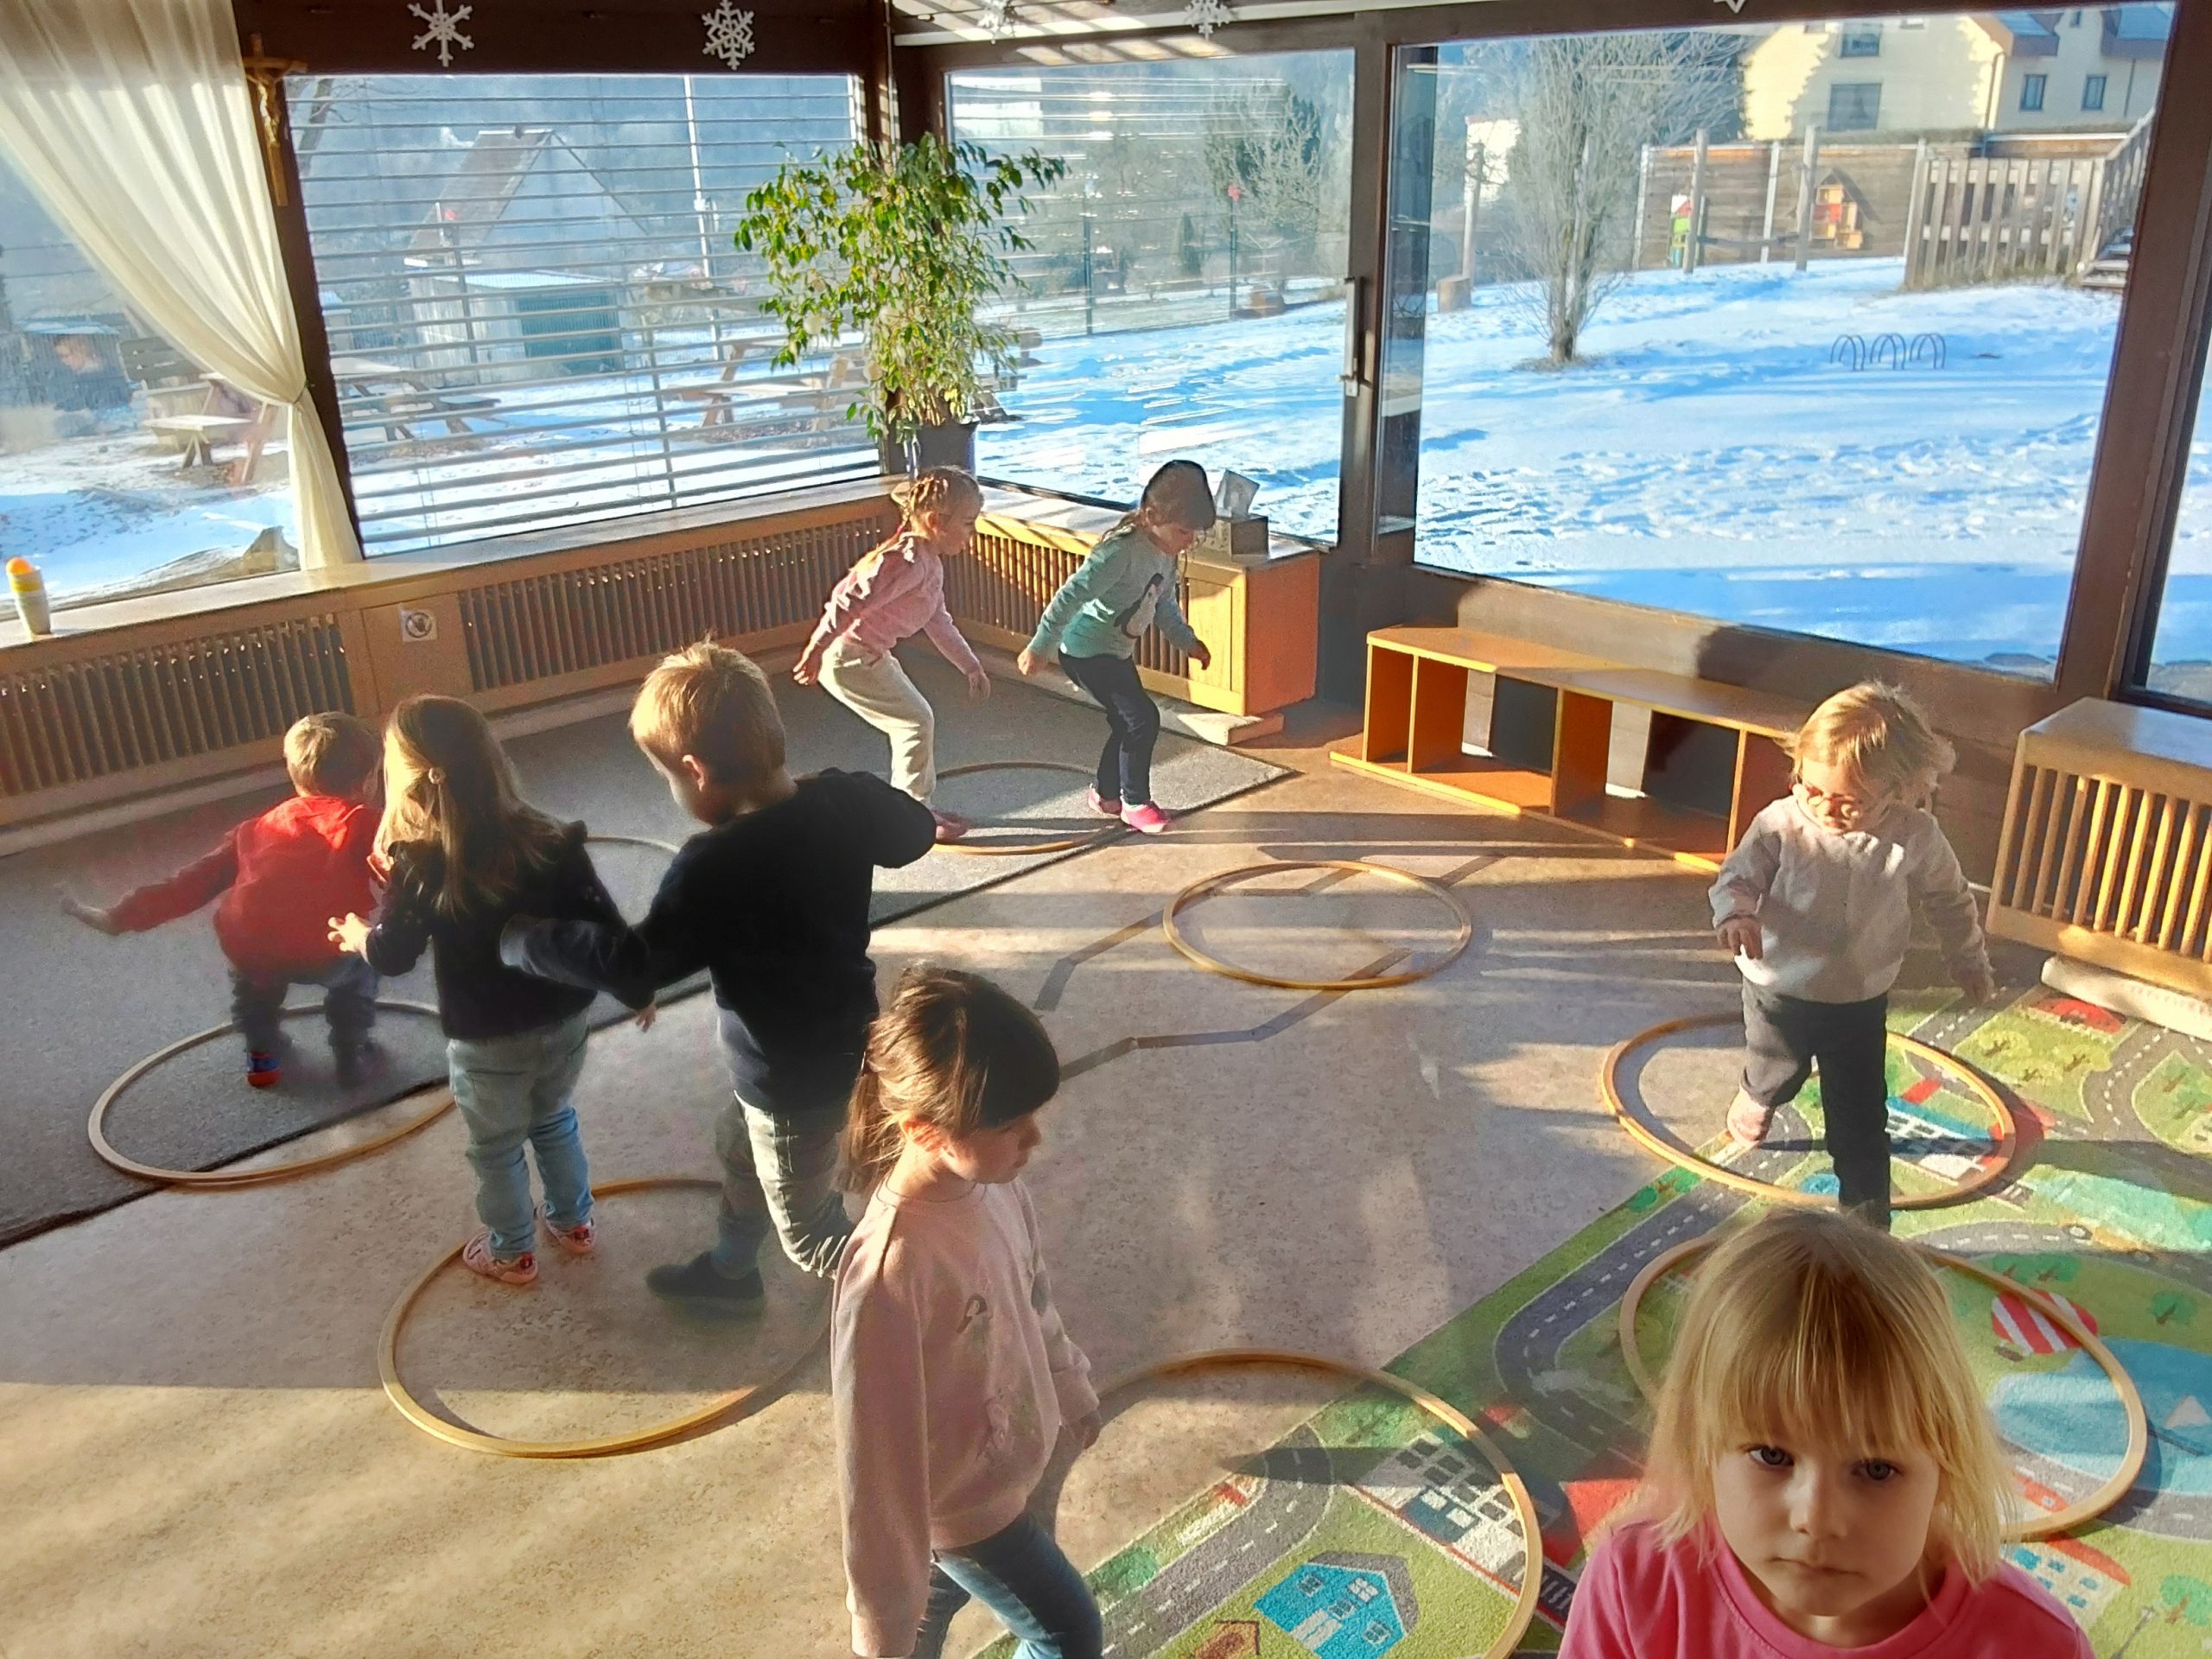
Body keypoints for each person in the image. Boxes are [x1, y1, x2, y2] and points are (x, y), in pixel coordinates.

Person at [501, 642, 937, 1314]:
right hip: (846, 1037)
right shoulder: (842, 799)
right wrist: (841, 793)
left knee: (811, 1234)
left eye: (667, 780)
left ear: (696, 771)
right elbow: (917, 832)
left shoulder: (713, 863)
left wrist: (524, 940)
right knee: (742, 1149)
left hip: (789, 1076)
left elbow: (637, 967)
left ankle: (927, 1299)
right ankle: (732, 1274)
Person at [1561, 1208, 2089, 1657]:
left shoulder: (2036, 1644)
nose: (1815, 1519)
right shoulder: (1636, 1584)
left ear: (1946, 1471)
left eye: (1876, 1469)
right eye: (1772, 1455)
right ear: (1701, 1445)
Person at [327, 696, 650, 1287]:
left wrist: (357, 936)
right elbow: (604, 922)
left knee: (496, 1146)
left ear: (406, 779)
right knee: (553, 1118)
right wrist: (637, 987)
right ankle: (575, 1223)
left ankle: (512, 1252)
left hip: (486, 1038)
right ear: (491, 759)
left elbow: (393, 954)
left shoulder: (418, 862)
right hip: (563, 1020)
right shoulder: (551, 837)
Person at [835, 966, 1102, 1659]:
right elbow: (875, 1469)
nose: (1034, 1140)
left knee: (937, 1597)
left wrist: (1067, 1383)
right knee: (1068, 1632)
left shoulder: (996, 1187)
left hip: (1001, 1469)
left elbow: (1032, 1295)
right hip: (964, 1508)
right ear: (924, 1131)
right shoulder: (892, 1273)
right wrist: (880, 1627)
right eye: (1011, 1126)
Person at [1711, 683, 1995, 1231]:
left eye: (1850, 799)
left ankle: (1868, 1225)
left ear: (1900, 787)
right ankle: (1757, 1093)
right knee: (1778, 1069)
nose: (1825, 807)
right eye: (1811, 787)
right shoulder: (1780, 823)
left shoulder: (1916, 836)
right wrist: (1736, 914)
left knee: (1862, 1118)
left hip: (1859, 997)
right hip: (1778, 984)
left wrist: (1968, 959)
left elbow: (1951, 899)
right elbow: (1737, 877)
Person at [63, 711, 385, 1090]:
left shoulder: (258, 826)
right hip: (326, 945)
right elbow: (400, 872)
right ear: (367, 780)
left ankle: (262, 1060)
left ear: (295, 777)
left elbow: (191, 883)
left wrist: (120, 916)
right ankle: (350, 1053)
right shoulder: (365, 821)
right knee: (360, 970)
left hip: (251, 943)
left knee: (255, 996)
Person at [1015, 460, 1216, 836]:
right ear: (1152, 516)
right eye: (1183, 531)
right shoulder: (1119, 554)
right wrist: (1040, 646)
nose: (1189, 541)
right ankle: (1135, 803)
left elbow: (1164, 603)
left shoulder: (1165, 553)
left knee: (1127, 722)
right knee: (1143, 719)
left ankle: (1106, 794)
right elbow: (1069, 597)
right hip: (1085, 652)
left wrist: (1187, 641)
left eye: (1195, 534)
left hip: (1115, 653)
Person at [794, 467, 992, 844]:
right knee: (915, 722)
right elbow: (847, 601)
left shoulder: (928, 562)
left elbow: (938, 620)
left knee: (915, 721)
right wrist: (816, 648)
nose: (973, 532)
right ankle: (914, 814)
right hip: (849, 658)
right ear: (936, 522)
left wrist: (970, 665)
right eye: (968, 523)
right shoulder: (904, 561)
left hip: (869, 655)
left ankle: (914, 807)